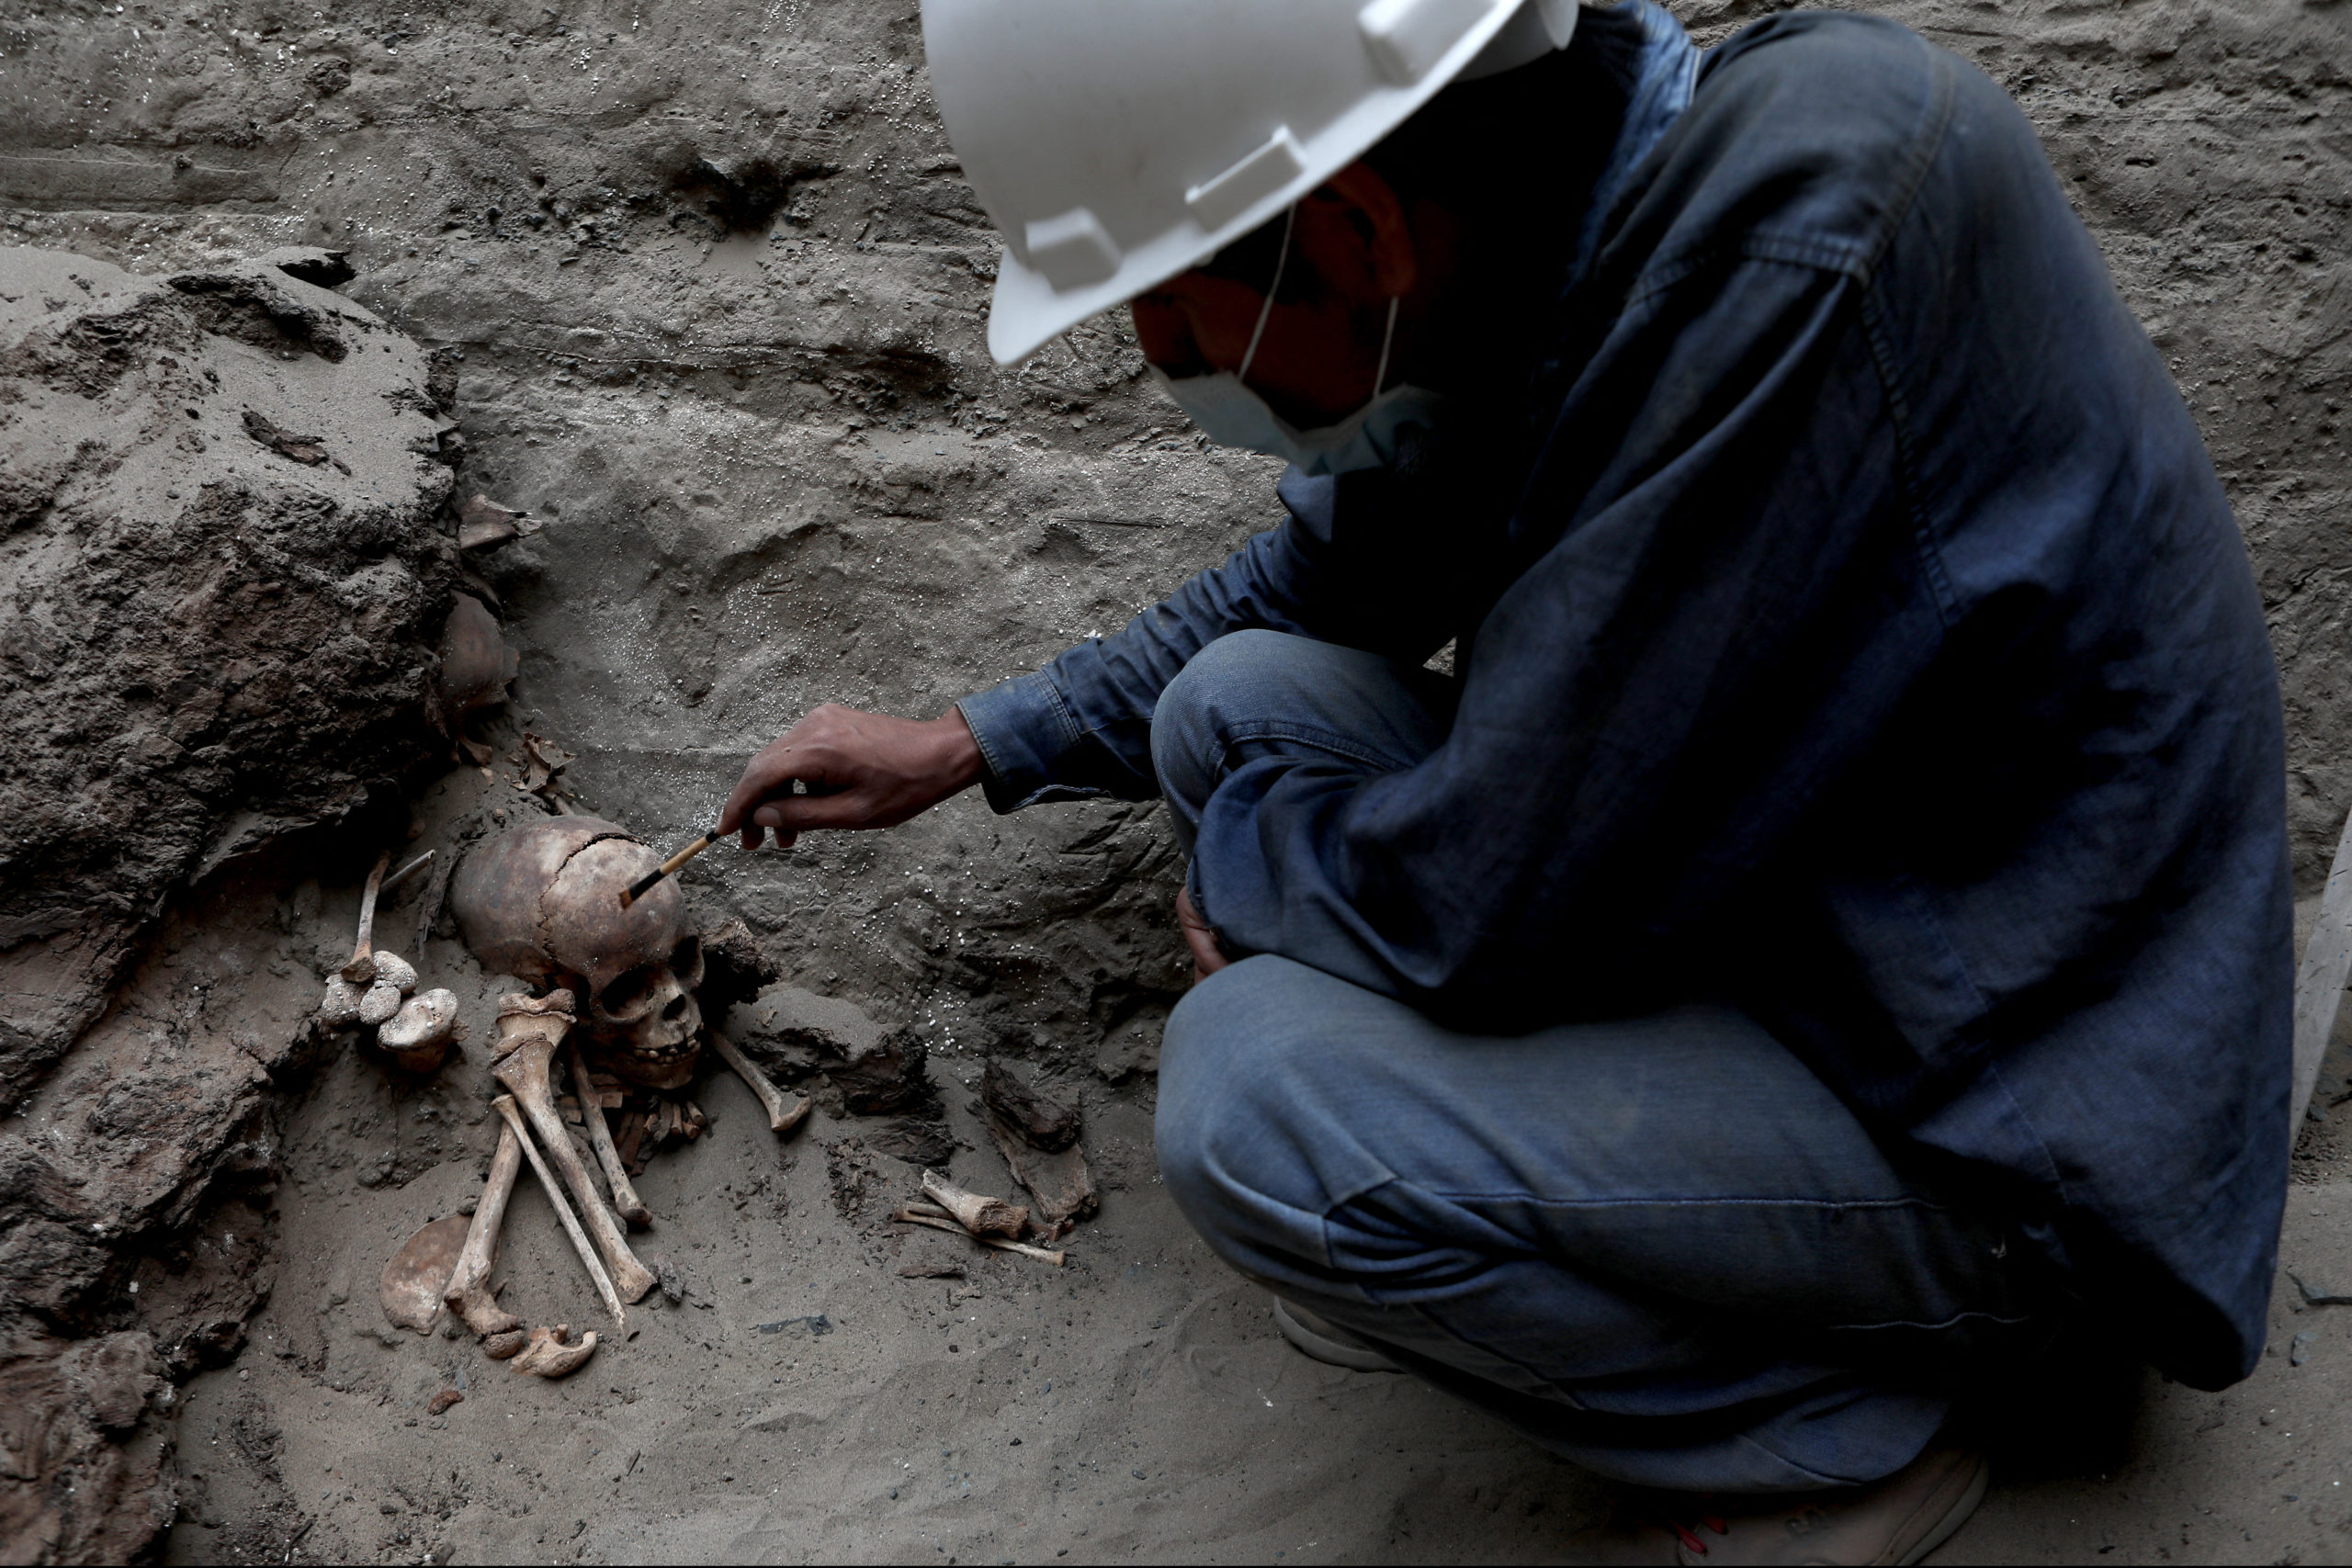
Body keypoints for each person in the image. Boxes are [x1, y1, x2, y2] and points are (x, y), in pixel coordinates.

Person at [718, 1, 2291, 1559]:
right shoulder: (1559, 239)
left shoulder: (1790, 255)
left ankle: (1846, 1442)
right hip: (1851, 930)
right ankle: (1512, 1255)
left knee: (1255, 1098)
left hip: (2015, 1125)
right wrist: (976, 742)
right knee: (1237, 708)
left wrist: (1263, 888)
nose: (1190, 378)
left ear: (1353, 233)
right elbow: (1330, 588)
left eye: (1185, 332)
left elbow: (1494, 902)